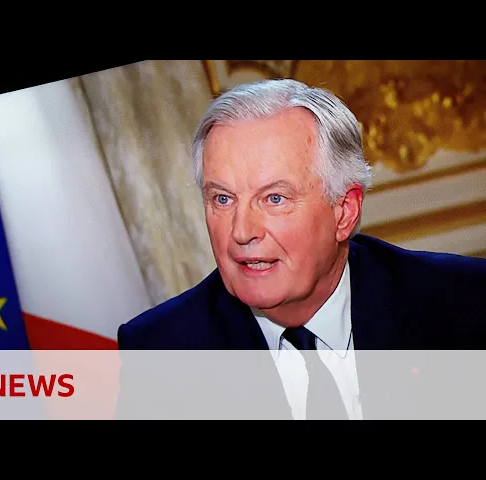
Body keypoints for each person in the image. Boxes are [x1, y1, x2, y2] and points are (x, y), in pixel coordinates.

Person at [115, 78, 486, 420]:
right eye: (223, 199)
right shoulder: (159, 355)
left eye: (274, 198)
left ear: (345, 211)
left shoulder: (466, 301)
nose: (241, 232)